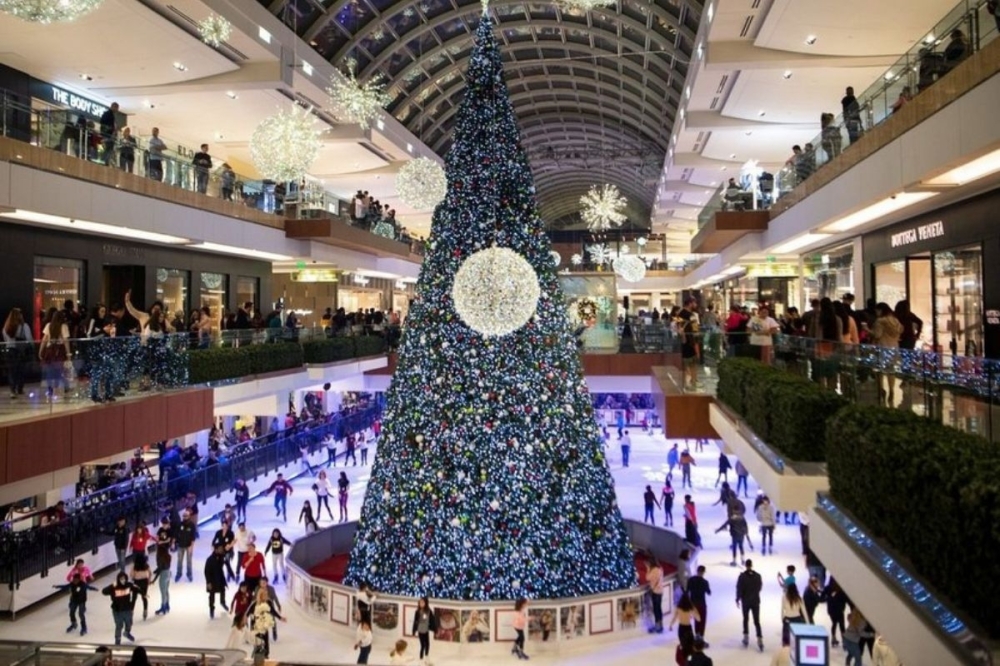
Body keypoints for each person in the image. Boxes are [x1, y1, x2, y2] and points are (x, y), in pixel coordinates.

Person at [102, 571, 143, 645]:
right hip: (117, 610)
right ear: (118, 579)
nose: (123, 580)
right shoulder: (114, 586)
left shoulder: (129, 585)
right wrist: (111, 586)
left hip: (127, 609)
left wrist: (144, 593)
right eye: (121, 578)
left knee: (129, 623)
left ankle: (127, 633)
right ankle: (118, 639)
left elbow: (137, 589)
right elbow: (104, 592)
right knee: (119, 625)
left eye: (124, 578)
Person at [39, 309, 71, 399]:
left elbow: (44, 340)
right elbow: (66, 341)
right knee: (61, 369)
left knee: (50, 370)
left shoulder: (49, 325)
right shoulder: (63, 326)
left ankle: (50, 388)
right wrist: (68, 353)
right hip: (59, 350)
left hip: (50, 350)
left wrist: (40, 350)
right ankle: (63, 386)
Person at [247, 585, 286, 659]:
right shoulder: (254, 604)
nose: (267, 596)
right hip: (255, 626)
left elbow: (273, 611)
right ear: (260, 595)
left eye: (267, 594)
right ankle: (257, 657)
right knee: (257, 643)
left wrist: (280, 618)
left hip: (264, 626)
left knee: (265, 642)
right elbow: (247, 614)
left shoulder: (268, 602)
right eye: (265, 594)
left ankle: (266, 655)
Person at [2, 307, 32, 398]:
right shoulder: (24, 326)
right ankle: (20, 388)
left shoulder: (6, 327)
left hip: (10, 351)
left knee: (11, 371)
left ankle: (12, 390)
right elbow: (29, 339)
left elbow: (6, 340)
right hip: (21, 351)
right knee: (21, 370)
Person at [736, 559, 764, 652]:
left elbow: (739, 588)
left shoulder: (742, 577)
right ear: (751, 565)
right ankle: (760, 639)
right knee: (757, 621)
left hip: (746, 601)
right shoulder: (758, 576)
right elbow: (760, 587)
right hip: (755, 601)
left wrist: (738, 598)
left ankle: (746, 637)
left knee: (745, 619)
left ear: (746, 565)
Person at [59, 571, 97, 636]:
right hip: (74, 601)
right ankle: (74, 624)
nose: (74, 581)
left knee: (81, 614)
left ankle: (84, 628)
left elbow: (89, 587)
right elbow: (66, 586)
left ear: (79, 579)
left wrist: (94, 588)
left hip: (81, 601)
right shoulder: (72, 583)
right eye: (74, 579)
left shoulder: (83, 584)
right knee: (71, 613)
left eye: (76, 580)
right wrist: (58, 586)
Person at [667, 592, 700, 658]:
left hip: (681, 629)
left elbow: (674, 618)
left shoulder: (678, 608)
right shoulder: (690, 609)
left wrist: (670, 625)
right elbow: (699, 619)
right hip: (688, 628)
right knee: (690, 647)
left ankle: (684, 661)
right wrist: (695, 611)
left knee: (683, 647)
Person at [205, 545, 229, 618]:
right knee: (212, 595)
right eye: (220, 549)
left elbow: (226, 563)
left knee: (223, 590)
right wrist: (208, 582)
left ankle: (222, 602)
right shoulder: (210, 559)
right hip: (212, 579)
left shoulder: (222, 556)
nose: (222, 550)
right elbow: (206, 571)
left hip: (220, 578)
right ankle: (211, 609)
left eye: (222, 549)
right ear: (216, 549)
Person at [687, 565, 711, 639]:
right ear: (703, 572)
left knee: (696, 620)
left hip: (693, 603)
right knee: (702, 620)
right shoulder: (705, 582)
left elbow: (687, 590)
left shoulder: (691, 580)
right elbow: (709, 592)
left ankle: (697, 634)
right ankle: (701, 635)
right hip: (701, 603)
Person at [824, 578, 848, 647]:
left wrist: (829, 598)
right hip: (839, 610)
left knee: (834, 623)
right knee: (842, 625)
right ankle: (844, 641)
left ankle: (833, 639)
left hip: (831, 610)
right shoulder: (841, 589)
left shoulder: (827, 588)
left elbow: (823, 597)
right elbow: (845, 599)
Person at [174, 512, 196, 582]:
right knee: (179, 561)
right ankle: (178, 574)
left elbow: (193, 538)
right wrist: (174, 543)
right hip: (180, 546)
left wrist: (191, 548)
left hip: (188, 546)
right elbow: (176, 534)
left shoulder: (192, 525)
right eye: (183, 516)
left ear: (189, 516)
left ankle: (189, 574)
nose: (184, 517)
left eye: (186, 516)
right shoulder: (180, 524)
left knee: (189, 561)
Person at [130, 553, 153, 621]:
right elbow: (150, 573)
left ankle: (131, 612)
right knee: (144, 596)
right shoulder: (146, 565)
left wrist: (134, 578)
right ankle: (145, 611)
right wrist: (149, 580)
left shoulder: (134, 566)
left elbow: (131, 575)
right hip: (144, 582)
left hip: (137, 582)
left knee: (134, 598)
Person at [646, 559, 665, 633]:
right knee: (659, 608)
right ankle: (660, 625)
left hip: (655, 591)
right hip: (660, 590)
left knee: (656, 609)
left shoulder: (653, 570)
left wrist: (648, 569)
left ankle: (658, 626)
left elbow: (647, 578)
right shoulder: (660, 569)